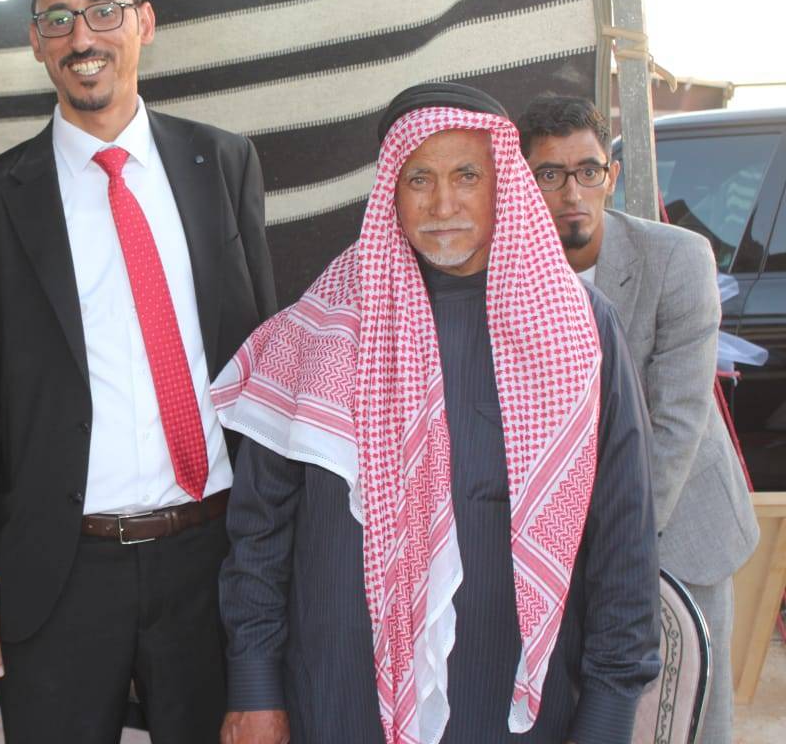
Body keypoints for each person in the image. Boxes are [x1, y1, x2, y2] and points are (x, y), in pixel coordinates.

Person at [215, 82, 660, 743]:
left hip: (508, 707)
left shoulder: (576, 328)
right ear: (390, 192)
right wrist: (254, 683)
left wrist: (606, 718)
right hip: (339, 701)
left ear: (503, 183)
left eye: (466, 176)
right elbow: (260, 527)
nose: (442, 203)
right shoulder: (321, 328)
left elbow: (623, 540)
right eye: (419, 178)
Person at [0, 0, 276, 742]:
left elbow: (266, 370)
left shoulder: (223, 163)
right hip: (59, 572)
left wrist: (279, 558)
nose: (81, 37)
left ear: (144, 23)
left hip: (212, 560)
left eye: (101, 12)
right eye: (57, 20)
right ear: (35, 41)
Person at [518, 94, 758, 744]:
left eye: (588, 170)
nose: (573, 193)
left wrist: (612, 556)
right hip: (564, 542)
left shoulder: (678, 259)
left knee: (688, 719)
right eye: (550, 174)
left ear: (612, 175)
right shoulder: (507, 278)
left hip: (680, 527)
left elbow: (675, 425)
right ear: (522, 181)